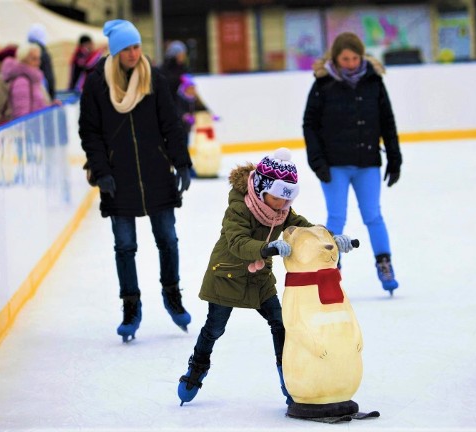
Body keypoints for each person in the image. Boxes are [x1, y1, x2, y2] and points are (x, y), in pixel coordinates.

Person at [176, 147, 356, 406]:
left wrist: (331, 239)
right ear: (261, 189)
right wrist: (265, 248)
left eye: (288, 199)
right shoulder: (238, 208)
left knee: (280, 323)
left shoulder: (282, 212)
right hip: (227, 275)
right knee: (215, 328)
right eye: (278, 198)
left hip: (259, 280)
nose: (284, 205)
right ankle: (196, 368)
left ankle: (290, 380)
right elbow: (237, 242)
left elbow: (304, 228)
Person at [79, 19, 193, 343]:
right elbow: (91, 133)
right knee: (125, 245)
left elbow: (171, 124)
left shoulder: (153, 78)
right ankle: (131, 306)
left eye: (137, 46)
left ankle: (173, 295)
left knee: (168, 240)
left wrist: (182, 163)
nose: (133, 53)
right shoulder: (97, 84)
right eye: (127, 48)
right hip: (118, 177)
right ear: (115, 52)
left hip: (157, 173)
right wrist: (102, 172)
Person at [302, 32, 402, 294]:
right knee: (336, 217)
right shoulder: (323, 85)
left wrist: (394, 157)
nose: (351, 63)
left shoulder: (374, 82)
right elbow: (310, 125)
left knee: (373, 215)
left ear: (362, 56)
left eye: (355, 58)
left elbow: (387, 121)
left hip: (367, 160)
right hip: (334, 164)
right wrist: (317, 161)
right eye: (345, 59)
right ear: (336, 58)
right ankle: (332, 268)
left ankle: (384, 264)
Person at [0, 43, 58, 120]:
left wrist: (50, 107)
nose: (38, 62)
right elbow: (21, 117)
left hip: (37, 126)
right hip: (31, 129)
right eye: (34, 59)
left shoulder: (34, 79)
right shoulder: (22, 82)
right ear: (24, 59)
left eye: (38, 58)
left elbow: (37, 106)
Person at [27, 24, 56, 100]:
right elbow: (49, 77)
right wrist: (51, 97)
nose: (38, 62)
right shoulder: (43, 54)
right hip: (41, 98)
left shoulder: (25, 52)